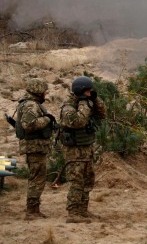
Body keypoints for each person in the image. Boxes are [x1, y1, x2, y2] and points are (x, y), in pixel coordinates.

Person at [59, 76, 107, 223]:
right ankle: (73, 213)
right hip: (74, 150)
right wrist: (85, 104)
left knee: (87, 179)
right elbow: (78, 122)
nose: (89, 94)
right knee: (76, 181)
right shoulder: (68, 106)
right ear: (80, 92)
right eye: (87, 91)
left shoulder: (86, 102)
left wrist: (96, 100)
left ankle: (82, 210)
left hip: (86, 147)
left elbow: (103, 114)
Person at [13, 78, 56, 220]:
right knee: (37, 178)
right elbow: (29, 125)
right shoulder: (31, 105)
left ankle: (33, 209)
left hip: (36, 147)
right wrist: (48, 119)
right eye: (44, 91)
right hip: (34, 147)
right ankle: (32, 211)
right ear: (38, 91)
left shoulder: (30, 104)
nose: (45, 94)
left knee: (37, 177)